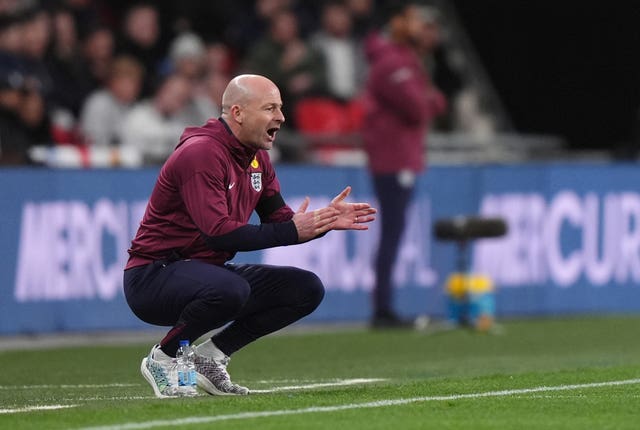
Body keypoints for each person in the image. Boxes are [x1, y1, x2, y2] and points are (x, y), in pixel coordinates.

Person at [123, 74, 377, 397]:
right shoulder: (202, 153)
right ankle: (163, 357)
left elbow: (279, 220)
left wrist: (319, 222)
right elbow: (217, 234)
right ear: (238, 113)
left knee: (306, 289)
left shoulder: (257, 159)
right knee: (232, 289)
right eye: (270, 108)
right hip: (152, 277)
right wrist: (291, 230)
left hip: (206, 274)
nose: (281, 118)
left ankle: (210, 357)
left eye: (281, 108)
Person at [362, 1, 447, 328]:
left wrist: (428, 98)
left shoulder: (405, 61)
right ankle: (382, 308)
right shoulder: (392, 62)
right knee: (392, 233)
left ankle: (384, 306)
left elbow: (431, 102)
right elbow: (419, 107)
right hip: (393, 159)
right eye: (422, 26)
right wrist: (429, 98)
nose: (429, 33)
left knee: (393, 233)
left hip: (400, 157)